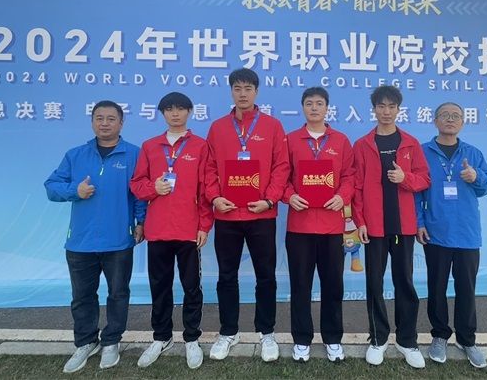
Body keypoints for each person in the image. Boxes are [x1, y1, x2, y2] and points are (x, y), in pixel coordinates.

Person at [44, 100, 145, 373]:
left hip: (118, 240)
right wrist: (75, 191)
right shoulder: (75, 155)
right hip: (81, 241)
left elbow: (139, 193)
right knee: (82, 296)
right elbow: (51, 186)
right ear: (92, 122)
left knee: (118, 293)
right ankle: (86, 342)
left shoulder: (134, 154)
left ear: (121, 123)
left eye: (111, 118)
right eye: (99, 118)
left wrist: (141, 222)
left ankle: (111, 341)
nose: (105, 123)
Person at [204, 68, 290, 362]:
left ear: (256, 91)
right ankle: (229, 332)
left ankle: (267, 332)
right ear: (231, 91)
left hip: (261, 215)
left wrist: (269, 199)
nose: (242, 94)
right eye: (237, 88)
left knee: (265, 276)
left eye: (248, 88)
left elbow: (282, 166)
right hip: (227, 215)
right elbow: (209, 168)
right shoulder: (218, 128)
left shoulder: (272, 126)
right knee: (226, 276)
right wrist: (215, 197)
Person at [130, 92, 212, 369]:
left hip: (188, 230)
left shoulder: (200, 146)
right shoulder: (150, 146)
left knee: (191, 287)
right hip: (158, 230)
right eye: (169, 109)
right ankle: (161, 336)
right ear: (162, 113)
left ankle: (191, 338)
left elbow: (206, 189)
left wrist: (204, 225)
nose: (175, 114)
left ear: (190, 112)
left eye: (180, 109)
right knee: (160, 286)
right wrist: (153, 187)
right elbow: (137, 184)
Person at [352, 85, 430, 369]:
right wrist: (360, 222)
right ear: (374, 109)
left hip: (403, 228)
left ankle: (407, 340)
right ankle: (378, 338)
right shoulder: (362, 144)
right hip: (374, 228)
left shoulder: (410, 143)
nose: (386, 111)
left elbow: (424, 179)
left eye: (391, 106)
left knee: (404, 283)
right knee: (374, 283)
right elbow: (356, 188)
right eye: (381, 106)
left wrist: (404, 178)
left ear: (398, 109)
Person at [416, 102, 487, 369]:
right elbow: (416, 192)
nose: (450, 119)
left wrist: (476, 176)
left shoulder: (473, 153)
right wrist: (419, 223)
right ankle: (439, 335)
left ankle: (467, 339)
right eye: (445, 115)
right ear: (435, 120)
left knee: (466, 289)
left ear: (462, 122)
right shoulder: (423, 152)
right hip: (436, 232)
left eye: (455, 116)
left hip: (467, 233)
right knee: (436, 287)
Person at [283, 87, 355, 362]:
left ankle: (333, 338)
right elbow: (281, 176)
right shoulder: (291, 140)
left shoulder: (341, 140)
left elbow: (349, 176)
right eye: (309, 103)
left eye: (319, 103)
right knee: (300, 285)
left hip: (331, 227)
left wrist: (342, 196)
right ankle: (302, 339)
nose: (314, 108)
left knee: (333, 285)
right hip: (300, 227)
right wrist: (289, 196)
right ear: (303, 107)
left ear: (327, 108)